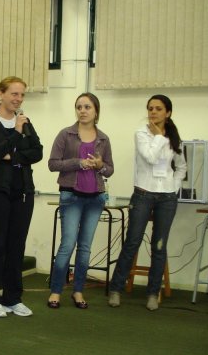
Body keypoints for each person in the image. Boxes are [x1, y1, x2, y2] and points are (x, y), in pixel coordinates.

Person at [108, 94, 187, 310]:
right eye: (150, 108)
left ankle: (153, 292)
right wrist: (159, 136)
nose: (153, 112)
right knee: (132, 242)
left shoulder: (174, 137)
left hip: (167, 197)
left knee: (159, 246)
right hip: (143, 194)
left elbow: (181, 167)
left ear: (168, 113)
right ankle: (116, 289)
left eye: (158, 109)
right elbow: (150, 157)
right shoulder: (141, 133)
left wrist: (174, 186)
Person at [0, 76, 43, 318]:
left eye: (22, 95)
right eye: (14, 94)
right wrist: (15, 135)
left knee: (16, 245)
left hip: (22, 191)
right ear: (1, 94)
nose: (19, 99)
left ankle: (13, 298)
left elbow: (37, 152)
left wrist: (10, 156)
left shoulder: (26, 122)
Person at [47, 93, 114, 309]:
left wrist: (100, 166)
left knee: (85, 247)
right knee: (67, 244)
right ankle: (56, 291)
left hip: (95, 198)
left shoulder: (103, 139)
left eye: (87, 107)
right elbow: (53, 164)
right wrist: (78, 163)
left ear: (96, 111)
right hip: (71, 195)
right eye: (79, 107)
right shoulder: (65, 134)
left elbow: (109, 170)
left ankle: (78, 291)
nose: (82, 111)